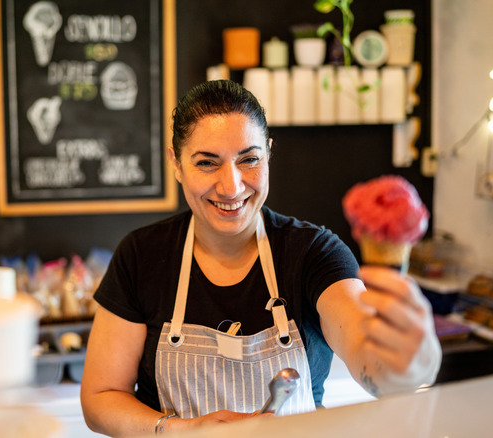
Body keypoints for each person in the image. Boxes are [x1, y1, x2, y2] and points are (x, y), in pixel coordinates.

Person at [80, 80, 441, 436]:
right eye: (207, 163)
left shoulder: (315, 253)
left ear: (268, 153)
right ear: (176, 163)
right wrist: (181, 430)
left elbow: (369, 356)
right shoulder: (142, 255)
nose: (232, 186)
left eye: (249, 159)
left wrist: (413, 364)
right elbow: (100, 398)